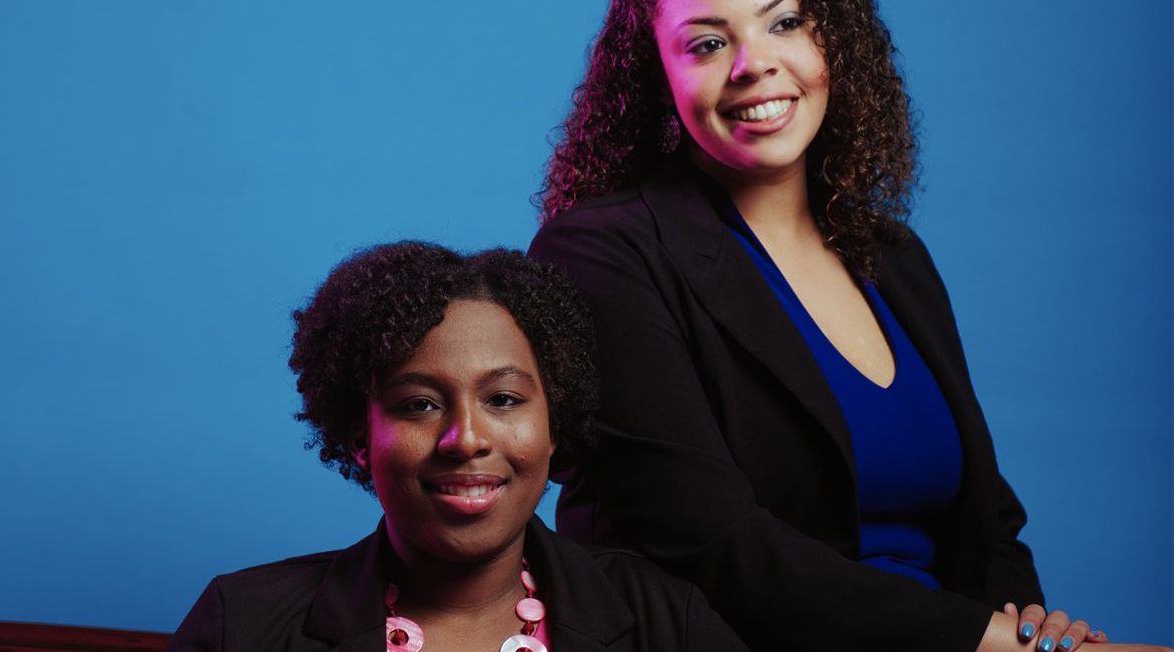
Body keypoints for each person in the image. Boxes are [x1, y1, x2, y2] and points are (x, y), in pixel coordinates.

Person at [528, 1, 1172, 651]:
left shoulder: (894, 256)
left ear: (835, 40)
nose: (756, 64)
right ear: (657, 76)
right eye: (706, 45)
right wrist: (996, 644)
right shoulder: (601, 254)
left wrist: (1033, 630)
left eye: (784, 23)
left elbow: (989, 521)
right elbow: (713, 546)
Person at [168, 242, 747, 651]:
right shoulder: (240, 625)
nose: (466, 439)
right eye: (419, 404)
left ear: (554, 424)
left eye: (503, 399)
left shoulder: (670, 624)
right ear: (358, 438)